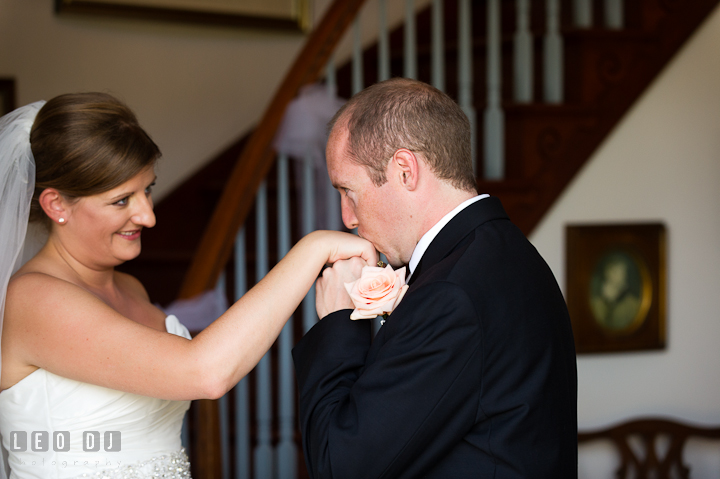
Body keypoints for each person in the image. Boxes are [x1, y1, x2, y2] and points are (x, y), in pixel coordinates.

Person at [0, 93, 376, 479]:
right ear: (56, 205)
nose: (147, 216)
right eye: (121, 201)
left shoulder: (131, 288)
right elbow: (204, 373)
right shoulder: (35, 298)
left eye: (147, 190)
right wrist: (313, 248)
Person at [292, 78, 578, 478]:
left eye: (349, 191)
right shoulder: (509, 253)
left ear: (405, 170)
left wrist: (338, 322)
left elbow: (340, 465)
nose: (347, 218)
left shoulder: (450, 293)